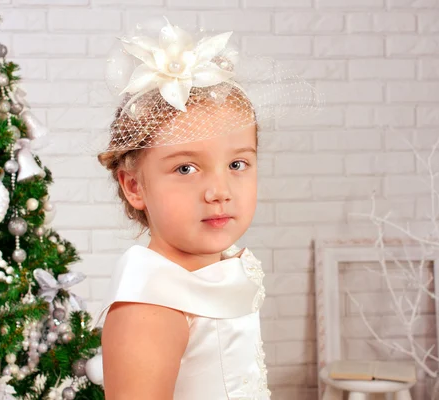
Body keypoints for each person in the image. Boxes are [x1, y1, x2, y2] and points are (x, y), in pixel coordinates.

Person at [93, 16, 321, 399]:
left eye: (237, 164)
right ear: (134, 186)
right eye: (186, 168)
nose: (219, 191)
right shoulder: (152, 307)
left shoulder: (219, 268)